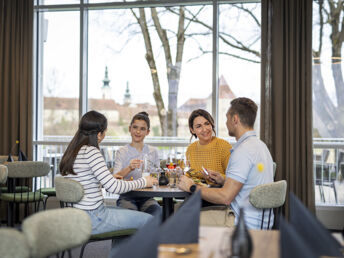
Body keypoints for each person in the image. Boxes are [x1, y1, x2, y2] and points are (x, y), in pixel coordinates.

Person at [178, 98, 274, 229]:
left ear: (235, 119)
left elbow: (225, 197)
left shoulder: (243, 151)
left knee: (181, 219)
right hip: (261, 219)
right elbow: (244, 184)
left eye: (227, 118)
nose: (226, 122)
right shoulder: (260, 145)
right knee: (184, 210)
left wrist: (191, 187)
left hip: (241, 221)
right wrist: (223, 179)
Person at [59, 110, 157, 235]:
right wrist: (144, 181)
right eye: (105, 131)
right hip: (94, 217)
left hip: (77, 214)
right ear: (99, 134)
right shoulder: (92, 152)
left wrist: (109, 177)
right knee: (150, 220)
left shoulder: (73, 151)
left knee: (127, 222)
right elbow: (113, 187)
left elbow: (85, 180)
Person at [113, 111, 162, 216]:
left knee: (157, 213)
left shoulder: (153, 151)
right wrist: (129, 168)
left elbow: (157, 177)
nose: (138, 132)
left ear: (147, 132)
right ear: (129, 129)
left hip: (147, 197)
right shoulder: (122, 151)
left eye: (142, 129)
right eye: (135, 127)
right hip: (127, 197)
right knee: (130, 216)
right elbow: (115, 178)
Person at [186, 109, 232, 181]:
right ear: (192, 130)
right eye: (199, 126)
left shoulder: (224, 146)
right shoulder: (190, 149)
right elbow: (190, 175)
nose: (204, 129)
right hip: (196, 190)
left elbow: (234, 179)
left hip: (219, 190)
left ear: (211, 124)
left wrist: (220, 178)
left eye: (207, 124)